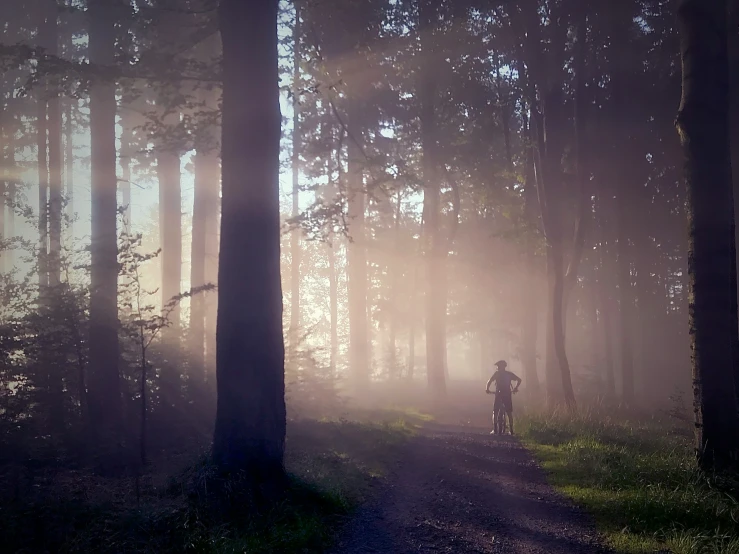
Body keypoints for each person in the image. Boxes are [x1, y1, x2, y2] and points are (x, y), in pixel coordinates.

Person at [485, 360, 521, 435]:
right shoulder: (509, 374)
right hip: (507, 394)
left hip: (498, 394)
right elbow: (519, 380)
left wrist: (487, 389)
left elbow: (490, 381)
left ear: (500, 367)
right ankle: (511, 430)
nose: (497, 368)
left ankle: (495, 429)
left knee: (495, 411)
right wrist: (515, 388)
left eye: (498, 366)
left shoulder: (497, 374)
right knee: (509, 412)